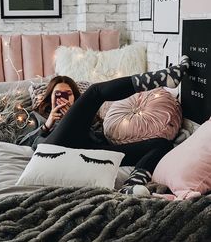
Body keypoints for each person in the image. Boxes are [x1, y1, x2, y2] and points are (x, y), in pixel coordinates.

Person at [17, 56, 190, 195]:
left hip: (85, 152)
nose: (62, 97)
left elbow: (102, 138)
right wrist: (48, 125)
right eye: (58, 94)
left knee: (162, 144)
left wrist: (77, 116)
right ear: (50, 96)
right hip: (53, 152)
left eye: (67, 94)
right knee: (95, 91)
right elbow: (23, 144)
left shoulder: (89, 117)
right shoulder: (37, 117)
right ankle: (163, 77)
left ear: (75, 98)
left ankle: (131, 184)